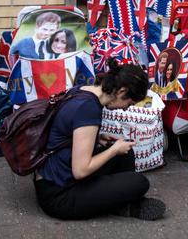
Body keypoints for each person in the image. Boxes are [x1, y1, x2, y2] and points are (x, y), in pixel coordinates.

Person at [34, 59, 166, 220]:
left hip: (54, 178)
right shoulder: (88, 109)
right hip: (59, 196)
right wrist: (113, 150)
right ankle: (122, 204)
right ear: (122, 91)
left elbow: (68, 130)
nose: (125, 109)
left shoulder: (82, 91)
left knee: (125, 153)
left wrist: (98, 138)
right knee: (139, 182)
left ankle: (118, 200)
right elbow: (81, 171)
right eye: (129, 104)